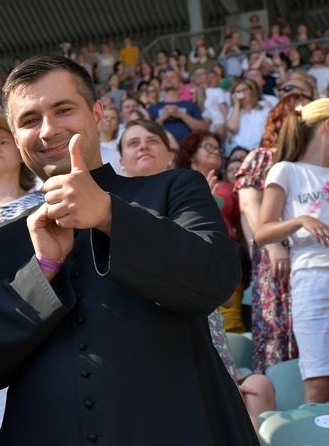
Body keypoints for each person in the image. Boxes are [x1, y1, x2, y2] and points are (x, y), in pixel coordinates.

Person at [0, 54, 258, 444]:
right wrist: (42, 269)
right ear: (17, 139)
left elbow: (215, 279)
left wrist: (109, 215)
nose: (48, 130)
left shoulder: (174, 189)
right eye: (30, 120)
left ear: (97, 112)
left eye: (63, 109)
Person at [118, 118, 275, 430]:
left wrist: (206, 212)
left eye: (152, 140)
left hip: (203, 336)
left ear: (169, 155)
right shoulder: (108, 212)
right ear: (121, 162)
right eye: (133, 143)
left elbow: (227, 296)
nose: (143, 146)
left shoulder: (198, 206)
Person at [255, 98, 329, 404]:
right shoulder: (285, 170)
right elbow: (262, 232)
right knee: (319, 380)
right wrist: (301, 219)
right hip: (311, 278)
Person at [234, 95, 310, 373]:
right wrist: (274, 246)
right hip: (275, 257)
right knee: (278, 333)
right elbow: (248, 204)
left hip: (311, 258)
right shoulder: (263, 156)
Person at [175, 130, 249, 333]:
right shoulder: (176, 184)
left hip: (226, 253)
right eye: (208, 146)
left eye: (218, 148)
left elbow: (240, 224)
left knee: (231, 323)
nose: (216, 151)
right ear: (191, 153)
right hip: (190, 255)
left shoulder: (228, 186)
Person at [148, 69, 207, 144]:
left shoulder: (191, 105)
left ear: (181, 85)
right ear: (161, 86)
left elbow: (203, 128)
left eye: (173, 77)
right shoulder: (153, 108)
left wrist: (181, 115)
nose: (169, 79)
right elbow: (147, 132)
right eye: (166, 77)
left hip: (185, 150)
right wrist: (163, 118)